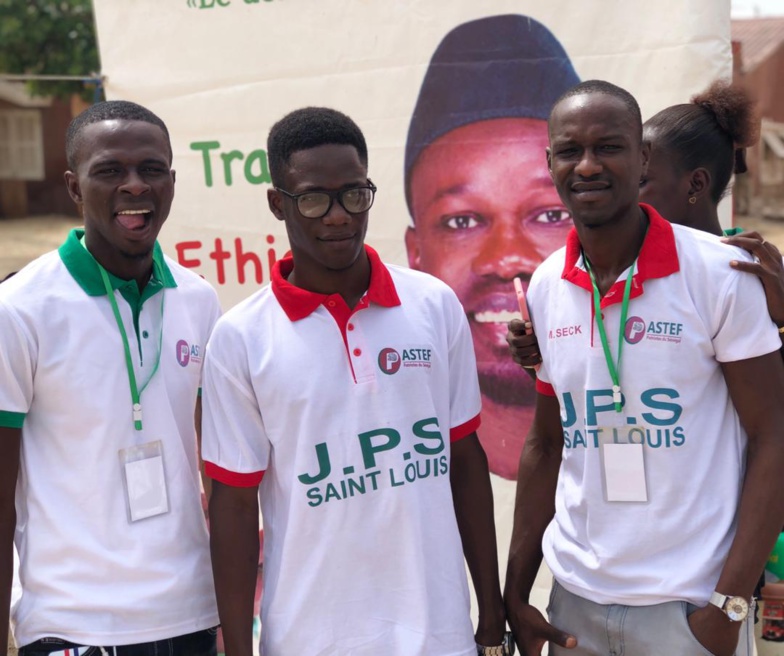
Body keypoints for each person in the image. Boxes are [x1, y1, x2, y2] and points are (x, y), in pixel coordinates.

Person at [202, 107, 508, 656]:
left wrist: (490, 614)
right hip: (309, 639)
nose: (339, 216)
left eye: (354, 194)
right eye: (314, 198)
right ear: (278, 203)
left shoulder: (433, 306)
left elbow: (465, 462)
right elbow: (233, 509)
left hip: (439, 635)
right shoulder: (240, 338)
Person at [503, 80, 784, 656]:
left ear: (643, 157)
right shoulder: (547, 286)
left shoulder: (720, 274)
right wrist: (515, 592)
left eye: (608, 147)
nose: (587, 166)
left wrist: (727, 607)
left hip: (688, 610)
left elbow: (775, 434)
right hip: (575, 603)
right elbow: (547, 443)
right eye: (569, 151)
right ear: (549, 162)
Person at [0, 101, 221, 655]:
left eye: (151, 169)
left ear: (172, 180)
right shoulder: (20, 309)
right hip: (72, 621)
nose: (135, 186)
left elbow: (216, 468)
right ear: (75, 187)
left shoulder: (198, 300)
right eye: (109, 171)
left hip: (191, 610)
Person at [404, 14, 580, 479]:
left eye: (549, 215)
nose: (506, 258)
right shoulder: (395, 458)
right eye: (462, 221)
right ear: (415, 253)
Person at [641, 80, 784, 332]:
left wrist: (781, 319)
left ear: (696, 184)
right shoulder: (621, 267)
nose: (625, 193)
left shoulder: (762, 272)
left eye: (640, 181)